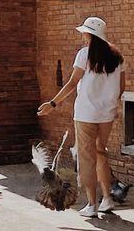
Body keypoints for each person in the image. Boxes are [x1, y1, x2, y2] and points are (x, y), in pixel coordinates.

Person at [38, 16, 125, 218]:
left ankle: (91, 204)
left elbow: (71, 83)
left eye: (84, 32)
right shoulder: (118, 57)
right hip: (107, 113)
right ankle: (107, 199)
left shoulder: (84, 54)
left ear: (90, 34)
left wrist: (52, 103)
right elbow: (122, 87)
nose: (83, 36)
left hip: (86, 113)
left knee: (87, 158)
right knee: (100, 152)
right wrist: (110, 103)